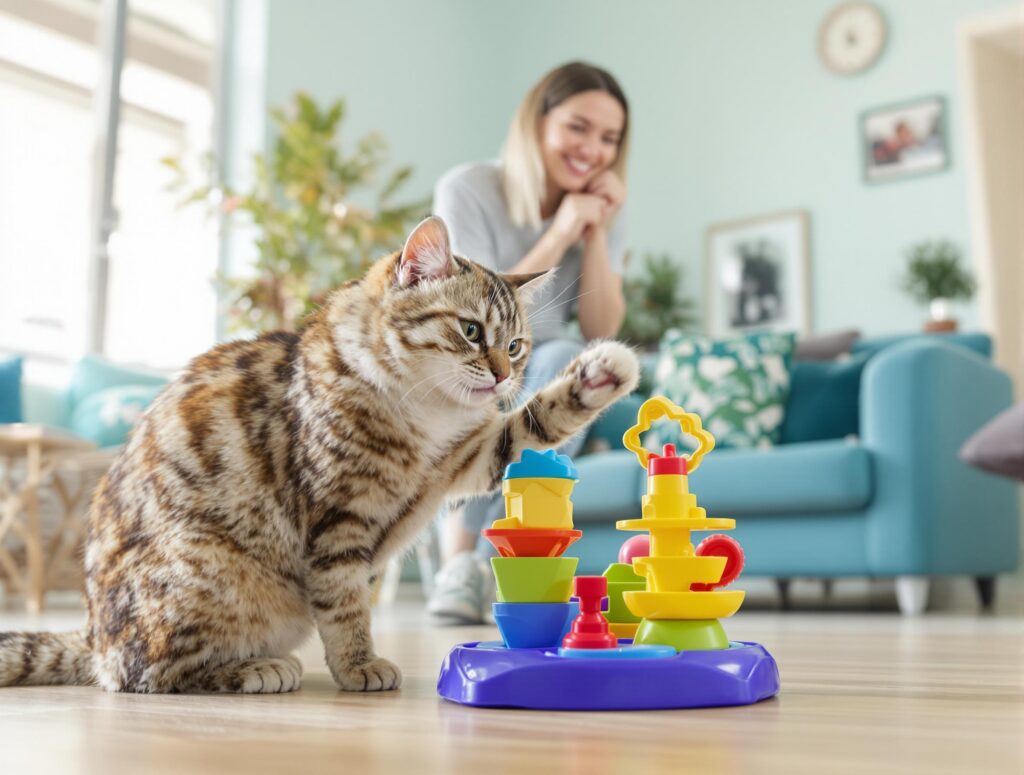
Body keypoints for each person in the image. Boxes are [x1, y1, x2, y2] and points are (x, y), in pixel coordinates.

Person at [427, 61, 630, 623]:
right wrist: (561, 229)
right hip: (473, 356)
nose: (593, 149)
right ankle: (462, 564)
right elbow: (472, 308)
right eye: (578, 127)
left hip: (545, 361)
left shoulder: (606, 208)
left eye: (609, 138)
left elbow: (601, 331)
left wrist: (596, 233)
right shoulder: (468, 188)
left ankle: (485, 562)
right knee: (512, 379)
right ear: (537, 123)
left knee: (569, 358)